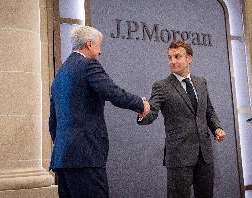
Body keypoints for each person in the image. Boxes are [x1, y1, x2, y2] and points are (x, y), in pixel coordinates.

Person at [49, 25, 150, 198]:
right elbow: (113, 92)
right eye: (98, 46)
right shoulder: (88, 65)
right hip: (86, 157)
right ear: (89, 44)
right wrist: (141, 104)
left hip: (62, 159)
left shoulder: (60, 74)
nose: (100, 52)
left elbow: (53, 122)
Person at [137, 40, 226, 198]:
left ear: (189, 59)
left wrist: (217, 128)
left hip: (204, 154)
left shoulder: (201, 82)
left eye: (177, 56)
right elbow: (152, 112)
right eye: (170, 57)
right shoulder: (161, 86)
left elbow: (208, 110)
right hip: (179, 156)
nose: (172, 61)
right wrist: (143, 112)